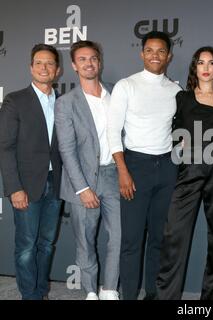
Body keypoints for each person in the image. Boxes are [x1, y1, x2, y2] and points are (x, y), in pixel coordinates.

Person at [107, 31, 181, 300]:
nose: (155, 55)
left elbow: (182, 130)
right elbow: (113, 132)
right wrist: (123, 171)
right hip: (134, 166)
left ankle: (152, 293)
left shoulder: (175, 90)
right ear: (142, 53)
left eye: (161, 51)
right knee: (131, 240)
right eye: (149, 50)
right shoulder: (126, 86)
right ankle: (128, 296)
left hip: (167, 168)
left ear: (168, 56)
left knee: (159, 239)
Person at [156, 46, 213, 300]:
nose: (206, 68)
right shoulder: (182, 97)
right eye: (201, 63)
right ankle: (167, 296)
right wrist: (180, 144)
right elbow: (171, 131)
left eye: (211, 63)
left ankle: (211, 299)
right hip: (188, 170)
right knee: (174, 233)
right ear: (194, 68)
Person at [54, 40, 120, 300]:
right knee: (85, 239)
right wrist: (82, 188)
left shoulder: (116, 93)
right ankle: (91, 291)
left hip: (114, 176)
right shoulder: (66, 103)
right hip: (82, 180)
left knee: (119, 237)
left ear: (99, 62)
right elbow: (67, 150)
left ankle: (110, 289)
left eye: (93, 58)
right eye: (82, 59)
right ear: (73, 65)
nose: (89, 63)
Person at [0, 44, 62, 300]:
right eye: (39, 63)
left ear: (57, 70)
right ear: (31, 67)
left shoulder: (64, 102)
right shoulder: (15, 100)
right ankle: (30, 296)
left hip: (56, 183)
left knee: (46, 244)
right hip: (25, 184)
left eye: (49, 63)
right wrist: (14, 187)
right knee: (26, 246)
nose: (44, 68)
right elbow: (5, 147)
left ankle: (40, 291)